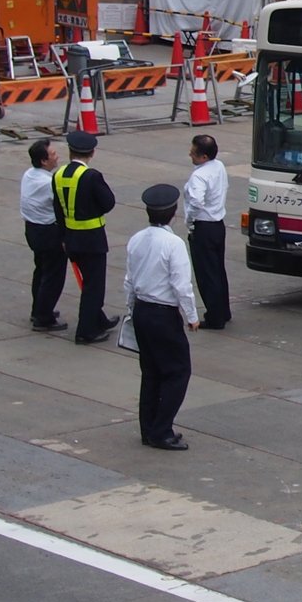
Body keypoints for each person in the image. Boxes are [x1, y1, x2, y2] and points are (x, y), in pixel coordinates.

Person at [124, 183, 200, 450]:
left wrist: (132, 310)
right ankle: (162, 430)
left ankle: (149, 429)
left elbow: (129, 280)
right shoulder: (173, 244)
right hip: (163, 314)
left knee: (151, 373)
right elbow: (181, 285)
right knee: (178, 372)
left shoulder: (136, 239)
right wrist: (191, 315)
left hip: (143, 310)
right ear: (174, 213)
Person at [53, 128, 119, 345]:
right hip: (92, 239)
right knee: (94, 287)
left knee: (88, 283)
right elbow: (108, 202)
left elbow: (58, 209)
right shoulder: (91, 176)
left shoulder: (59, 175)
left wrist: (63, 237)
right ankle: (85, 331)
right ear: (91, 153)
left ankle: (98, 319)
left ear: (70, 152)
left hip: (71, 239)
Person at [184, 133, 230, 329]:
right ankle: (223, 311)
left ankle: (215, 317)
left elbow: (195, 202)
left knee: (206, 275)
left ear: (204, 157)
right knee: (218, 271)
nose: (190, 154)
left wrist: (190, 221)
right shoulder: (218, 166)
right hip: (218, 224)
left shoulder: (199, 176)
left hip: (204, 226)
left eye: (194, 153)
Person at [21, 138, 68, 331]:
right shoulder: (49, 182)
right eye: (53, 154)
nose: (57, 157)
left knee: (40, 271)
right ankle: (44, 317)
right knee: (53, 276)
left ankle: (38, 309)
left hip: (32, 230)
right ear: (43, 161)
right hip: (48, 233)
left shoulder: (29, 175)